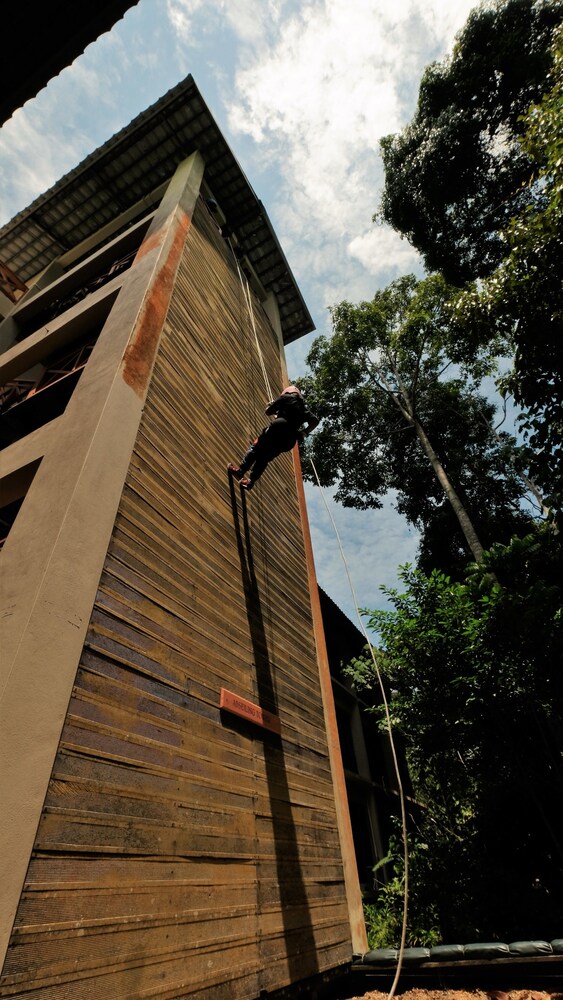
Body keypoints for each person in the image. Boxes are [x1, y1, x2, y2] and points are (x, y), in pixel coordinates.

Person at [228, 385, 320, 491]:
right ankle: (250, 482)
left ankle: (240, 471)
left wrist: (271, 406)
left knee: (256, 448)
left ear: (288, 392)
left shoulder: (286, 398)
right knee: (265, 458)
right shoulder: (303, 409)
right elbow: (315, 421)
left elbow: (268, 412)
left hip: (278, 427)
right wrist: (304, 432)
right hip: (289, 440)